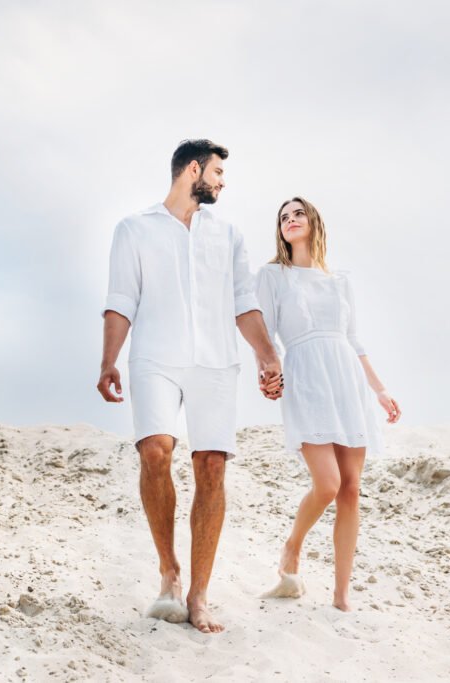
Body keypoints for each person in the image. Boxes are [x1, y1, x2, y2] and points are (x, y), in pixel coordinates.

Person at [97, 139, 283, 633]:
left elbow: (244, 301)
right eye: (218, 172)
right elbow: (121, 298)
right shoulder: (134, 228)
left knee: (212, 467)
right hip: (154, 358)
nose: (223, 183)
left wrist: (267, 354)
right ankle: (169, 572)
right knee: (155, 452)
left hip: (216, 363)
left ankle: (199, 594)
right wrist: (109, 360)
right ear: (194, 170)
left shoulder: (228, 234)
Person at [256, 196, 401, 611]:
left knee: (351, 490)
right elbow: (263, 333)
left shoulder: (340, 281)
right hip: (305, 377)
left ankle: (341, 596)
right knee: (328, 484)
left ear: (314, 221)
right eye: (283, 217)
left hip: (347, 379)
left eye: (298, 213)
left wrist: (380, 390)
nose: (290, 220)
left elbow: (353, 341)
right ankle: (292, 546)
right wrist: (265, 372)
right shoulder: (272, 276)